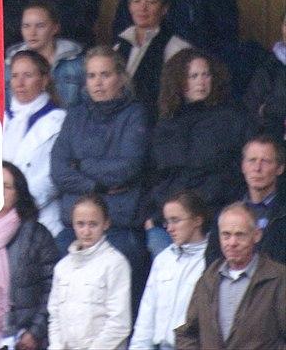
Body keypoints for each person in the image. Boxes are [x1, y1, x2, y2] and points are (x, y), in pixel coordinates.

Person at [50, 46, 149, 301]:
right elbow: (59, 170)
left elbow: (128, 168)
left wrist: (81, 165)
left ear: (120, 78)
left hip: (118, 222)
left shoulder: (135, 114)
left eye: (105, 75)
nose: (98, 82)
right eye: (92, 76)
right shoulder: (75, 114)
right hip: (75, 224)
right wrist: (98, 186)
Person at [145, 49, 252, 256]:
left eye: (206, 75)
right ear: (179, 81)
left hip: (213, 213)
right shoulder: (165, 125)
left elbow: (232, 173)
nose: (201, 81)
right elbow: (156, 176)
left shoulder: (231, 119)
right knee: (157, 244)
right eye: (193, 76)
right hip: (171, 217)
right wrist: (154, 216)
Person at [0, 162, 59, 350]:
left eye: (7, 186)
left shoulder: (37, 234)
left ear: (19, 193)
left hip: (19, 340)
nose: (0, 190)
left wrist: (35, 331)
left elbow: (53, 287)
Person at [174, 203, 286, 350]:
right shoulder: (207, 280)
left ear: (256, 235)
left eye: (240, 235)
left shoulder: (278, 278)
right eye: (226, 235)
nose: (232, 243)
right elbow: (188, 333)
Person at [47, 193, 131, 350]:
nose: (86, 231)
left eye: (93, 224)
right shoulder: (62, 267)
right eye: (80, 224)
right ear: (72, 224)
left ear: (106, 224)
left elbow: (119, 323)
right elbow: (55, 316)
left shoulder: (116, 264)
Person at [130, 190, 209, 350]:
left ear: (197, 220)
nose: (169, 228)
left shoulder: (210, 262)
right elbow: (146, 315)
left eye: (176, 220)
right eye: (167, 222)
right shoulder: (162, 260)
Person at [3, 51, 66, 236]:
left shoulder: (59, 120)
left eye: (28, 76)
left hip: (41, 217)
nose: (20, 83)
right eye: (15, 76)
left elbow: (54, 175)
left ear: (44, 80)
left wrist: (20, 203)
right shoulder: (1, 118)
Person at [114, 0, 190, 122]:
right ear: (130, 7)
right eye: (137, 1)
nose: (143, 8)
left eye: (151, 2)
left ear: (164, 9)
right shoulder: (118, 46)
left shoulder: (177, 49)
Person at [205, 134, 286, 265]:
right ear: (243, 166)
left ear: (280, 168)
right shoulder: (225, 212)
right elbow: (212, 261)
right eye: (252, 160)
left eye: (265, 161)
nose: (257, 168)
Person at [5, 1, 85, 108]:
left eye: (40, 26)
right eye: (26, 26)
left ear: (55, 28)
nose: (32, 32)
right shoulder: (9, 66)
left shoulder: (77, 64)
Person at [243, 8, 286, 142]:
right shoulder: (267, 66)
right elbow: (252, 110)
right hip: (274, 142)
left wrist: (269, 108)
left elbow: (266, 109)